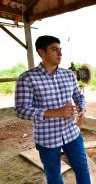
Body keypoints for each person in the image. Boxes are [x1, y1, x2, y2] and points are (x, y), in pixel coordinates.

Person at [15, 35, 91, 184]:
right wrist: (55, 113)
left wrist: (82, 110)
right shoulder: (27, 78)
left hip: (71, 133)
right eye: (54, 50)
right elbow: (21, 110)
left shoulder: (68, 75)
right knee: (54, 174)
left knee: (82, 167)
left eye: (60, 49)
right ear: (41, 52)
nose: (60, 53)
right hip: (47, 137)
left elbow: (78, 96)